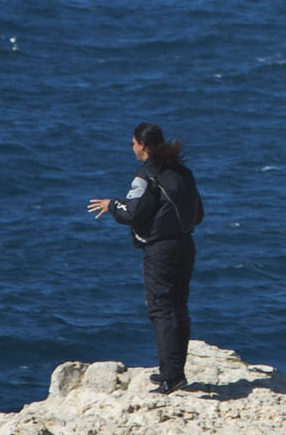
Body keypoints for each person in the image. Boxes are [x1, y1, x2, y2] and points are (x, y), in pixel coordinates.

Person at [86, 123, 201, 393]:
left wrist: (112, 205)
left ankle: (171, 377)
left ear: (143, 146)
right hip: (186, 244)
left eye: (133, 143)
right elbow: (198, 213)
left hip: (160, 251)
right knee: (178, 307)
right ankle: (176, 372)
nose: (132, 147)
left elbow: (133, 212)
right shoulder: (183, 173)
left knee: (161, 309)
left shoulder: (146, 175)